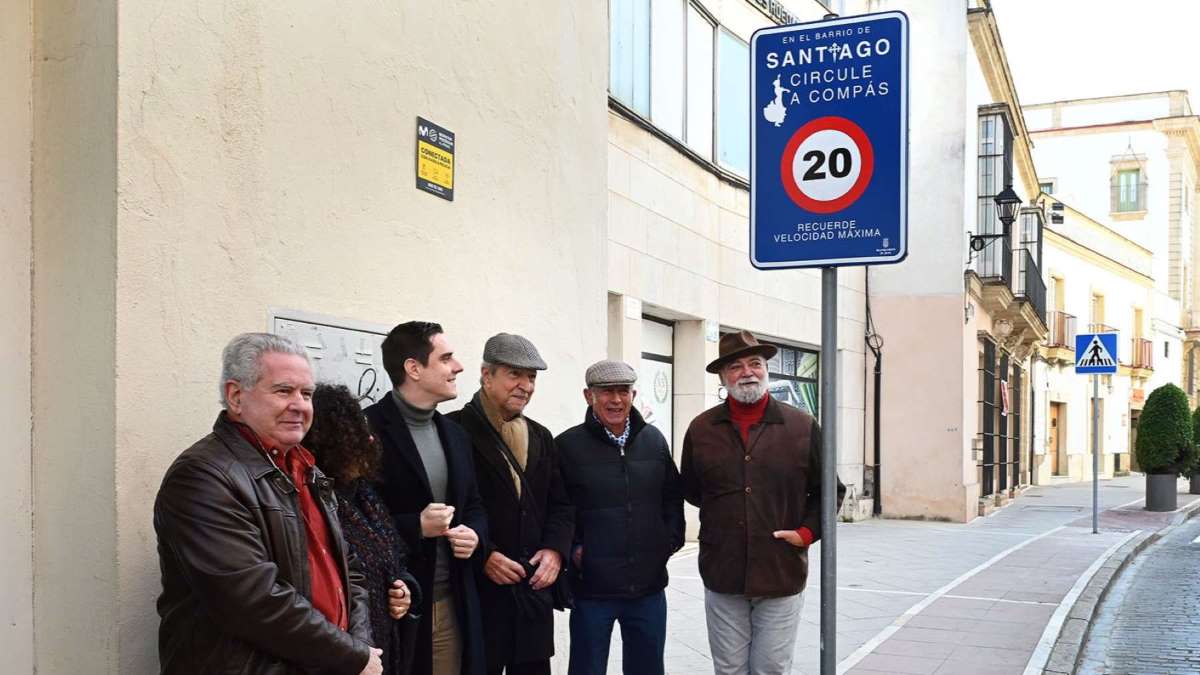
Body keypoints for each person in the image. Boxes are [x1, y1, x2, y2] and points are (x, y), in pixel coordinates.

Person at [154, 332, 381, 674]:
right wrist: (353, 656)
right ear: (236, 396)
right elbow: (253, 601)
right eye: (283, 391)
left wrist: (358, 646)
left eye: (307, 394)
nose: (300, 405)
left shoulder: (307, 469)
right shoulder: (203, 476)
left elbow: (350, 571)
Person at [680, 331, 845, 675]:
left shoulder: (802, 426)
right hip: (722, 570)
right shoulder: (701, 429)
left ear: (766, 369)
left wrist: (805, 533)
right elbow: (694, 490)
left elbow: (831, 491)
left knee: (770, 668)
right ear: (723, 377)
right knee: (729, 669)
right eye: (735, 366)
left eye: (755, 363)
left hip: (780, 570)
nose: (747, 372)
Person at [447, 333, 575, 675]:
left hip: (531, 592)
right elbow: (445, 508)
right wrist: (484, 555)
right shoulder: (452, 430)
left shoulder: (541, 435)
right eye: (514, 374)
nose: (526, 386)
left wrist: (554, 551)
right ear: (486, 375)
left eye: (531, 377)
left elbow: (561, 505)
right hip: (478, 594)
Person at [365, 321, 489, 675]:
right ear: (413, 368)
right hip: (394, 609)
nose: (458, 367)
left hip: (454, 602)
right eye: (446, 358)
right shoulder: (366, 431)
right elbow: (348, 523)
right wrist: (415, 526)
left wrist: (475, 534)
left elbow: (474, 505)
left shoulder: (455, 434)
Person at [556, 359, 685, 675]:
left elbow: (671, 499)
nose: (616, 400)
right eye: (606, 391)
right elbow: (558, 509)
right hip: (592, 589)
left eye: (623, 391)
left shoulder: (654, 440)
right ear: (589, 396)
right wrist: (574, 551)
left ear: (633, 394)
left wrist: (666, 544)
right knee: (587, 669)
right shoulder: (566, 446)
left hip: (648, 588)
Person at [306, 383, 423, 675]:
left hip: (383, 649)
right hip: (344, 654)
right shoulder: (315, 502)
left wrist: (405, 591)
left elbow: (395, 558)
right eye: (354, 432)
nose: (369, 438)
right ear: (329, 442)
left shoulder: (364, 494)